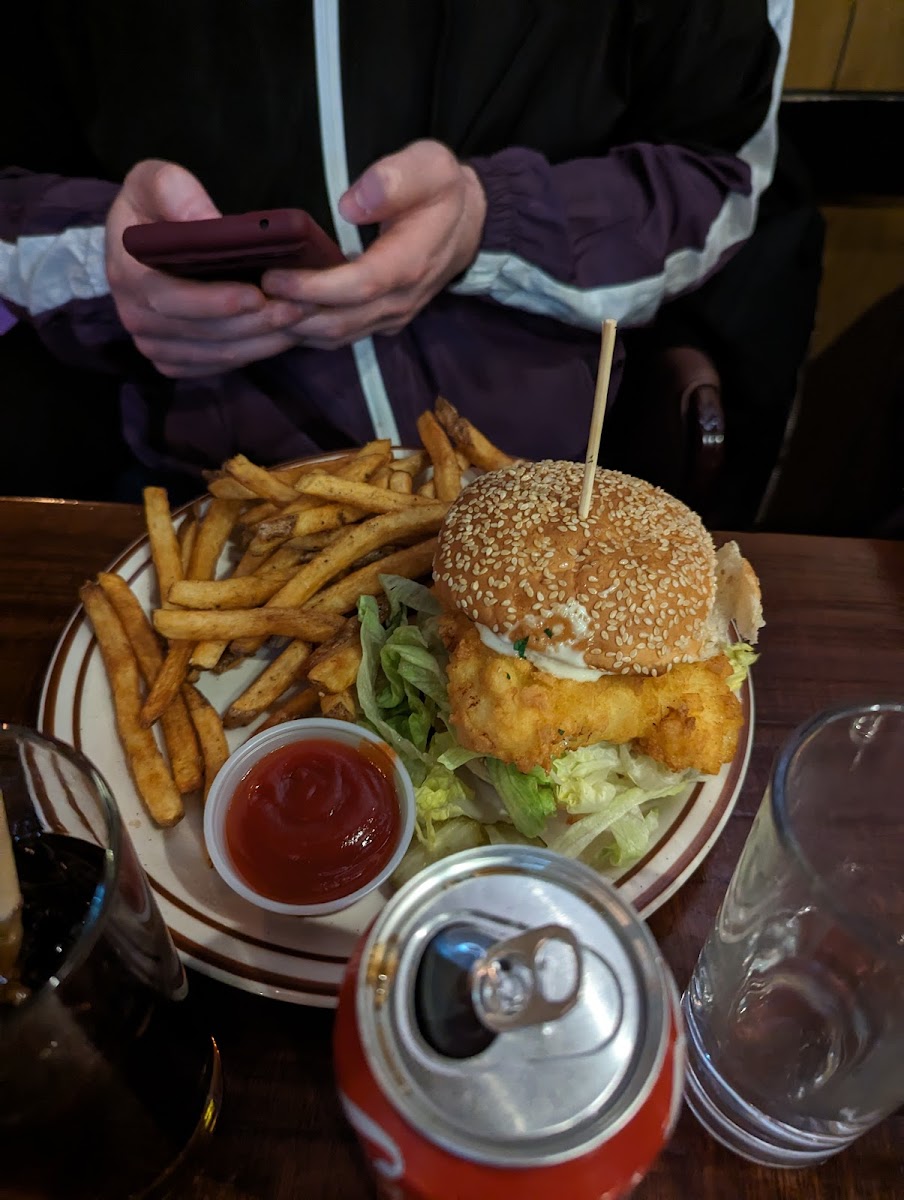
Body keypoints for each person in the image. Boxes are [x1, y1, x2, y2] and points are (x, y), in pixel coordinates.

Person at [0, 1, 819, 515]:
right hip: (198, 497)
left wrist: (491, 222)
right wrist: (98, 259)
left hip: (551, 484)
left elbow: (724, 175)